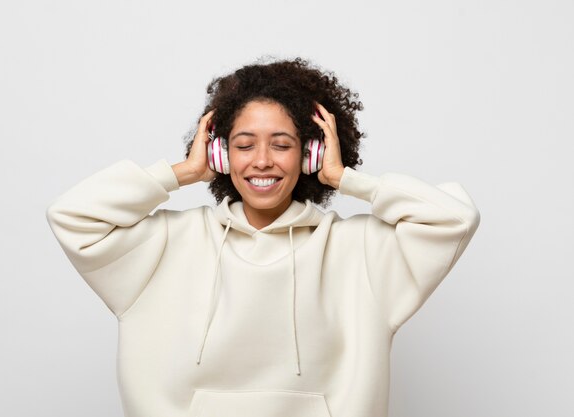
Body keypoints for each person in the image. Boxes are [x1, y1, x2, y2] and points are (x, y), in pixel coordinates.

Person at [46, 57, 480, 417]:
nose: (262, 161)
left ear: (310, 153)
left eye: (282, 144)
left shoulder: (360, 251)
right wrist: (182, 173)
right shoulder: (165, 243)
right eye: (244, 144)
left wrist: (345, 178)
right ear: (220, 153)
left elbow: (454, 219)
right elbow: (70, 215)